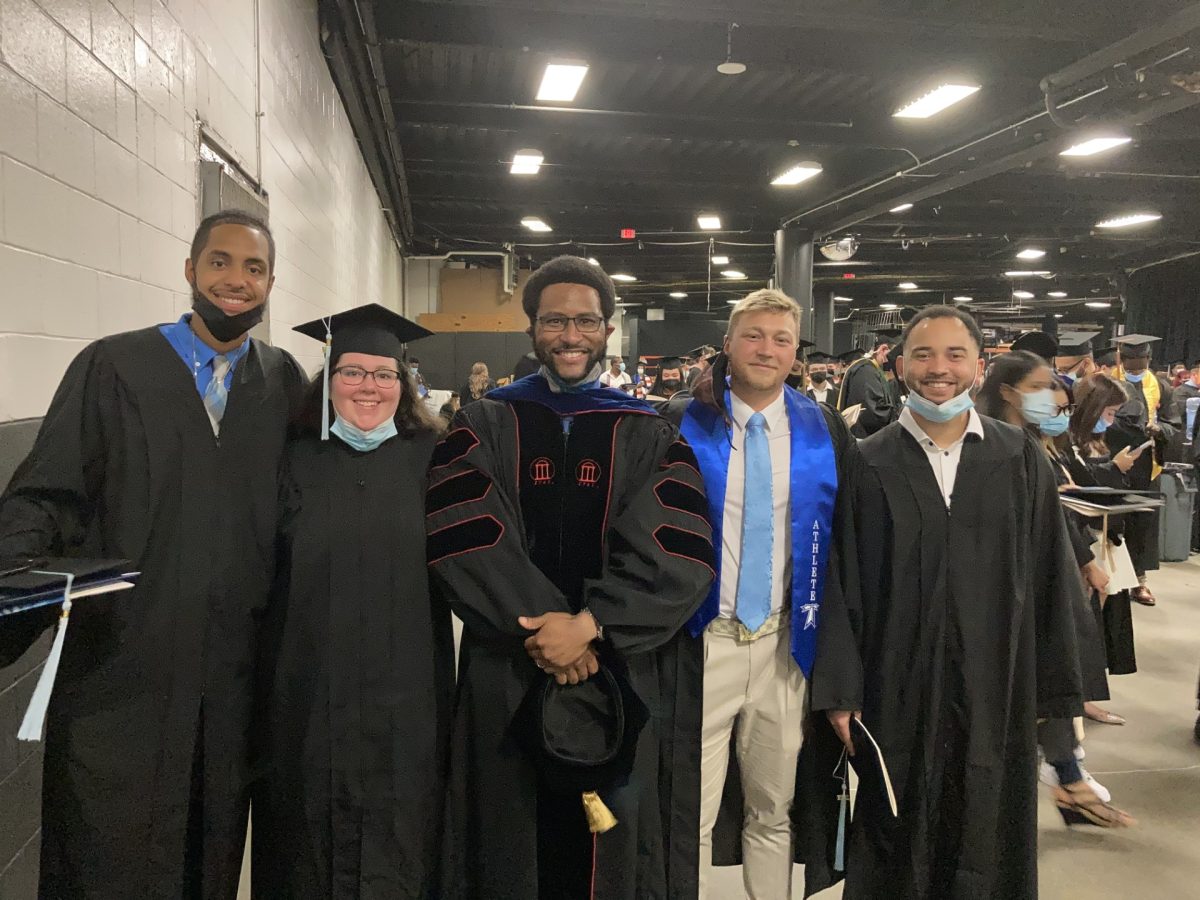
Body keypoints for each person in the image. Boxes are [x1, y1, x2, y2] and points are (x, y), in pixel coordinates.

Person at [0, 210, 307, 897]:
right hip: (124, 663)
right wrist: (13, 580)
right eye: (221, 262)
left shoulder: (282, 380)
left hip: (233, 674)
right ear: (190, 270)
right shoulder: (114, 366)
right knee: (105, 847)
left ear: (271, 284)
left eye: (253, 268)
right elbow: (47, 490)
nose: (236, 280)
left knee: (211, 843)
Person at [425, 255, 715, 899]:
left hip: (617, 667)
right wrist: (547, 633)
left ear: (608, 329)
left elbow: (680, 550)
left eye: (586, 321)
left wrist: (590, 626)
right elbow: (466, 538)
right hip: (510, 666)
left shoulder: (649, 430)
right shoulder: (484, 423)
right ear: (531, 329)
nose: (570, 335)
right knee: (507, 834)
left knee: (610, 836)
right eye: (554, 320)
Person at [815, 305, 1089, 900]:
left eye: (954, 354)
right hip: (897, 682)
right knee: (896, 821)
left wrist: (1057, 692)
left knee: (990, 819)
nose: (938, 368)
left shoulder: (1019, 459)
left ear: (977, 365)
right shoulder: (866, 460)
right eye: (923, 354)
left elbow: (1049, 576)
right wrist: (841, 690)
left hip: (999, 683)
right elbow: (844, 582)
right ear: (900, 364)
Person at [253, 305, 453, 899]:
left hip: (408, 689)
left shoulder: (436, 460)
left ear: (405, 383)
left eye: (384, 374)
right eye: (353, 372)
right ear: (328, 379)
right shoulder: (289, 458)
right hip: (307, 684)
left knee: (405, 822)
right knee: (305, 826)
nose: (369, 386)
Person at [661, 290, 855, 898]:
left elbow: (844, 537)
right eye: (754, 335)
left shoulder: (821, 428)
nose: (766, 349)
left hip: (784, 645)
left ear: (795, 353)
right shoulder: (676, 421)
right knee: (687, 810)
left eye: (781, 340)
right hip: (702, 643)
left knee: (775, 808)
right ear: (728, 344)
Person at [977, 353, 1134, 822]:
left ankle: (1067, 775)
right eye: (1041, 386)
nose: (1056, 397)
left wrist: (1084, 561)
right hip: (1010, 586)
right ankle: (1064, 777)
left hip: (1049, 577)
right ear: (1008, 391)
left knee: (1054, 675)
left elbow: (1053, 516)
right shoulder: (990, 447)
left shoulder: (1033, 445)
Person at [1066, 375, 1146, 692]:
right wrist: (1113, 468)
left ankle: (1087, 687)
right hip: (1085, 535)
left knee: (1098, 614)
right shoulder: (1068, 440)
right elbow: (1080, 484)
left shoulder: (1095, 439)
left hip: (1105, 533)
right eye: (1109, 413)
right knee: (1086, 615)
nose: (1110, 421)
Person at [1110, 336, 1178, 605]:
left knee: (1143, 524)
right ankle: (1111, 577)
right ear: (1122, 359)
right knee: (1111, 522)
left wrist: (1159, 429)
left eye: (1141, 365)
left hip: (1147, 464)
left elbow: (1174, 423)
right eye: (1131, 364)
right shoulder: (1109, 382)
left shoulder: (1161, 386)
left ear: (1149, 360)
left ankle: (1139, 581)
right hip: (1113, 460)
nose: (1136, 370)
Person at [836, 340, 897, 437]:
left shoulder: (871, 369)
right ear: (883, 349)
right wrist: (899, 412)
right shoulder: (865, 370)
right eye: (893, 356)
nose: (894, 362)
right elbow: (872, 411)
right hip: (864, 440)